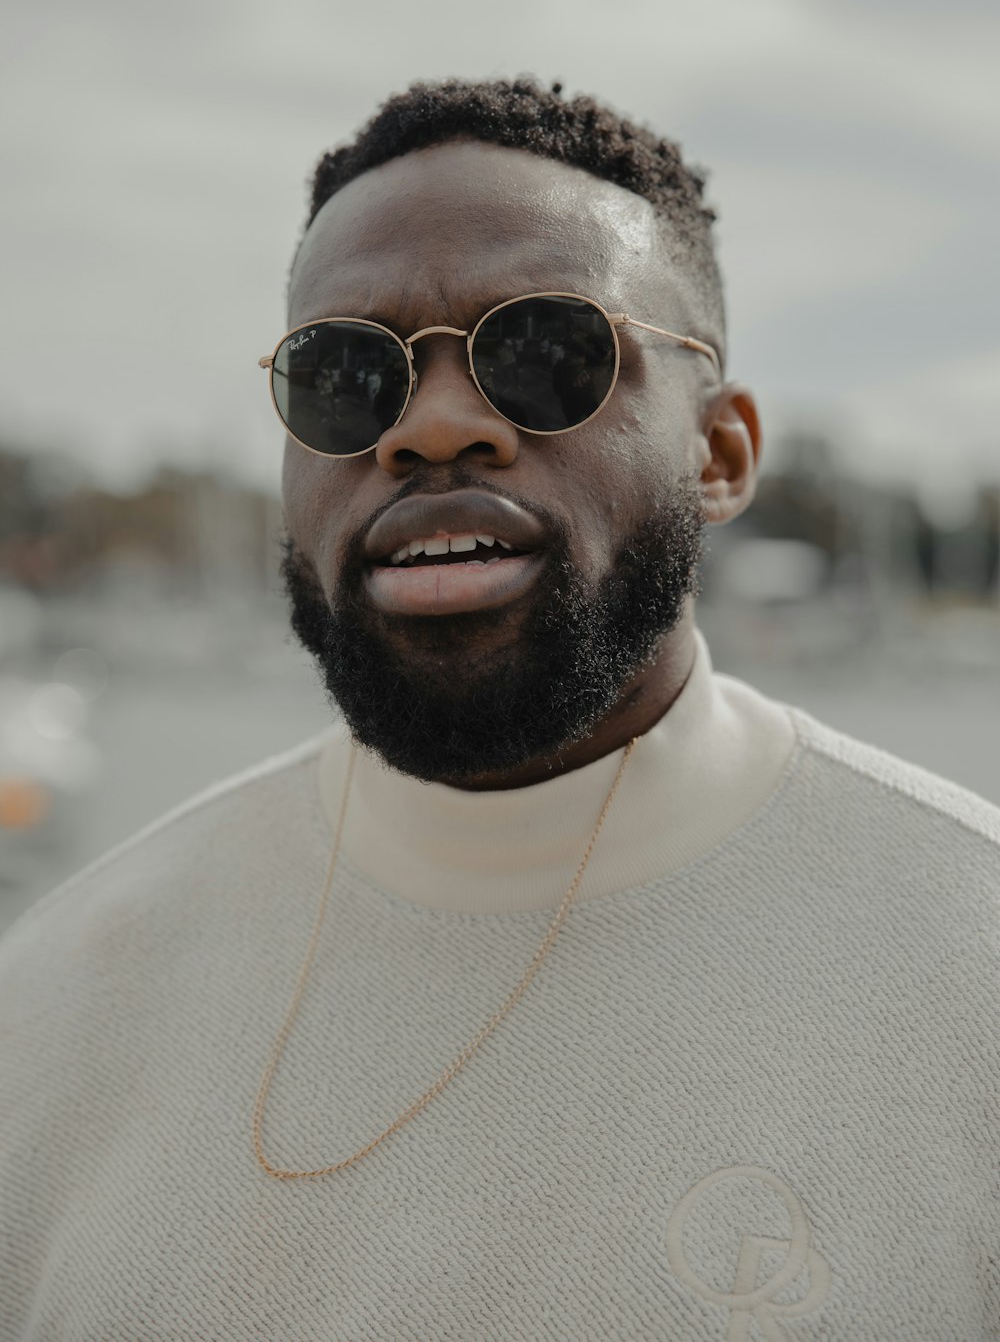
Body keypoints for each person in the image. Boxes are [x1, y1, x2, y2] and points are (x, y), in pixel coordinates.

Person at [1, 78, 997, 1341]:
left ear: (721, 452)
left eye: (541, 351)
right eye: (343, 375)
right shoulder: (53, 1005)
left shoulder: (971, 972)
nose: (431, 427)